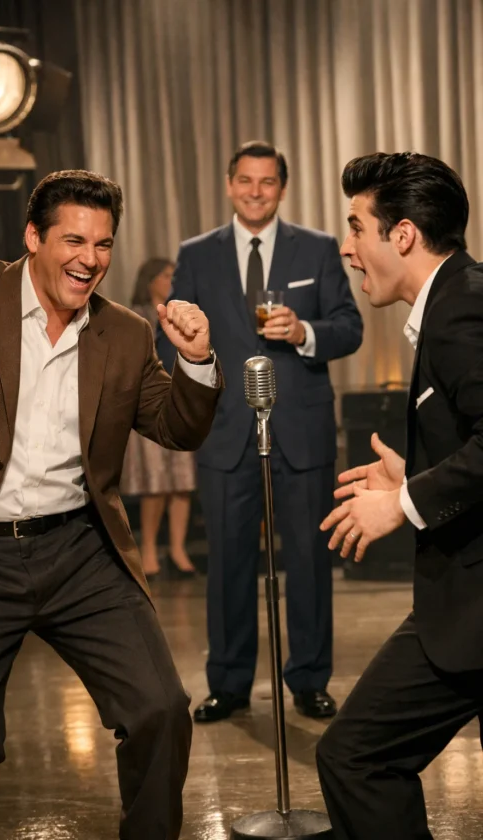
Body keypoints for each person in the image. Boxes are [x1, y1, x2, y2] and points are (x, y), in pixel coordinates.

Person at [0, 169, 222, 840]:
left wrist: (197, 360)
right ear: (33, 237)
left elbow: (176, 427)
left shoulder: (126, 333)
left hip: (80, 551)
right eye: (74, 240)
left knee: (160, 710)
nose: (90, 258)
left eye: (103, 243)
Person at [157, 141, 363, 722]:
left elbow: (349, 328)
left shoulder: (318, 248)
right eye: (245, 180)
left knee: (310, 559)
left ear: (282, 188)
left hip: (301, 428)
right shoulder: (197, 254)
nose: (255, 191)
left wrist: (304, 332)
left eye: (267, 181)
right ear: (229, 184)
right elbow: (171, 334)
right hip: (225, 432)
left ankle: (310, 680)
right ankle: (228, 683)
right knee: (227, 563)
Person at [316, 152, 483, 840]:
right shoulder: (457, 298)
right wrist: (412, 477)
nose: (347, 246)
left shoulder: (459, 311)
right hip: (465, 601)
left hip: (471, 608)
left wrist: (403, 503)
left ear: (404, 235)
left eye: (357, 227)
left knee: (356, 757)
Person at [121, 257, 197, 577]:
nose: (170, 281)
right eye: (166, 275)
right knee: (155, 484)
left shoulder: (182, 314)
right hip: (149, 407)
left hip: (179, 403)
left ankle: (178, 549)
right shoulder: (134, 316)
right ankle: (149, 550)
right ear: (150, 279)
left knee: (181, 482)